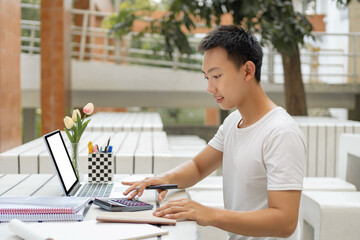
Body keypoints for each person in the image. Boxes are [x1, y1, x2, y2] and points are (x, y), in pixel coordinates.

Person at [122, 25, 306, 240]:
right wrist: (163, 179)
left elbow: (285, 222)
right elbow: (198, 167)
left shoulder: (281, 132)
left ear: (248, 70)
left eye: (216, 76)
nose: (210, 88)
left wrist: (210, 214)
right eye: (206, 78)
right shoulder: (233, 122)